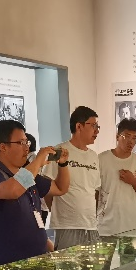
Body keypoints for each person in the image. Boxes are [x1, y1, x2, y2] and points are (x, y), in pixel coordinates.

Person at [0, 119, 70, 266]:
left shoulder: (27, 173)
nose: (26, 148)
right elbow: (13, 191)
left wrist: (63, 164)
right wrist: (38, 161)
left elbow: (60, 188)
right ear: (3, 147)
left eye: (26, 142)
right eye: (21, 143)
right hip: (11, 265)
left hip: (39, 258)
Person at [46, 106, 102, 250]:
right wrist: (59, 213)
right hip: (67, 226)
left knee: (94, 264)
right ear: (79, 126)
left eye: (97, 126)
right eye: (93, 126)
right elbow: (47, 189)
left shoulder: (94, 156)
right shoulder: (59, 151)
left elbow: (95, 190)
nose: (97, 131)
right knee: (68, 265)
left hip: (91, 226)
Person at [97, 118, 136, 237]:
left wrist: (133, 182)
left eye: (134, 138)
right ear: (117, 136)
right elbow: (94, 193)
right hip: (106, 228)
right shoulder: (101, 159)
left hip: (131, 227)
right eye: (127, 136)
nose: (130, 141)